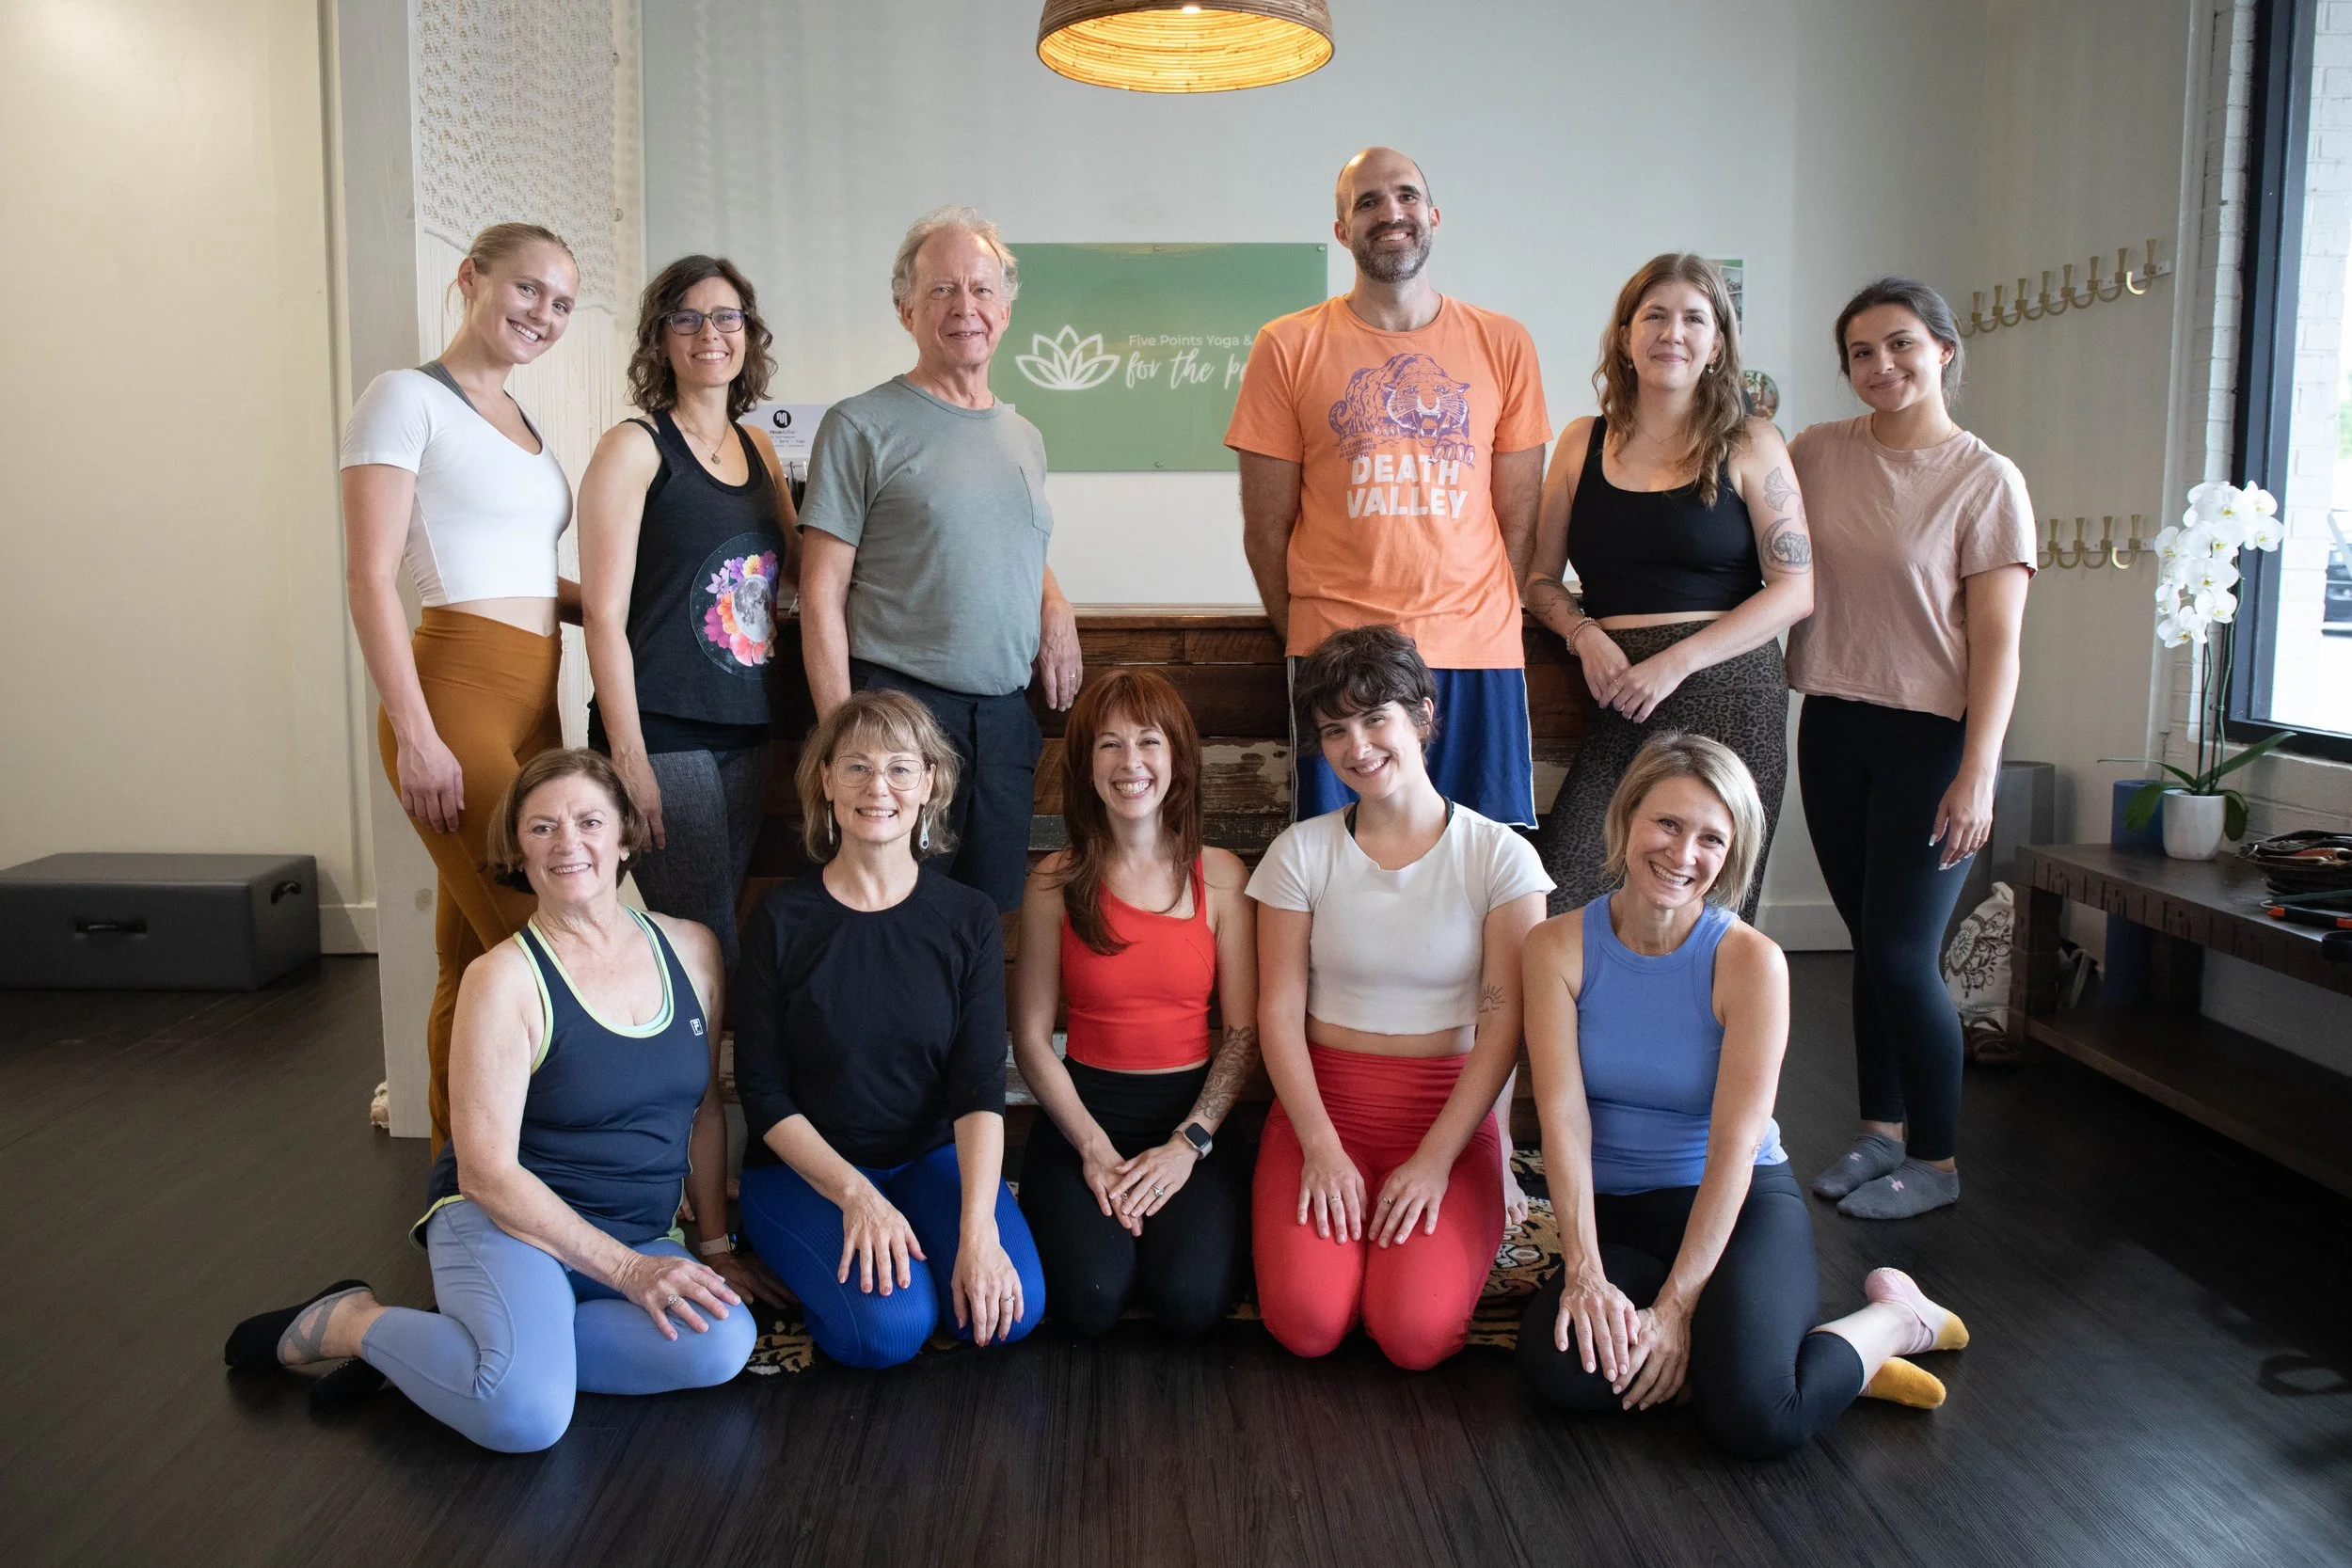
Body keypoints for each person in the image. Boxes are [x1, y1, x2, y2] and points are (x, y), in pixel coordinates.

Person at [225, 750, 755, 1452]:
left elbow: (705, 1110)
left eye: (589, 821)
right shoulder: (503, 979)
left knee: (721, 1344)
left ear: (626, 837)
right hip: (508, 1225)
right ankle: (354, 1321)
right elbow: (486, 1174)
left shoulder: (692, 949)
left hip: (635, 1228)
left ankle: (473, 1350)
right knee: (524, 1416)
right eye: (542, 828)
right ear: (519, 851)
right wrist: (630, 1272)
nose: (567, 843)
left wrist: (714, 1248)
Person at [1516, 736, 1971, 1459]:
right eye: (1667, 823)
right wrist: (1586, 1273)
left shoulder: (1752, 962)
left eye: (1711, 838)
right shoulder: (1555, 946)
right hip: (1619, 1213)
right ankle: (1762, 1360)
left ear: (1732, 855)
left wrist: (1675, 1308)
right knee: (1557, 1369)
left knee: (1758, 1417)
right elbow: (1562, 1120)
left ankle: (1893, 1322)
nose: (1682, 853)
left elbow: (1734, 1146)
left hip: (1740, 1206)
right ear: (1627, 817)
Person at [1788, 279, 2032, 1220]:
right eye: (1860, 352)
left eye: (1900, 344)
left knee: (1900, 953)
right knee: (1870, 944)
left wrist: (1979, 771)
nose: (1880, 365)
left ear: (1943, 349)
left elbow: (1999, 644)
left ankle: (1936, 1159)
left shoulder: (1986, 478)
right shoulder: (1817, 452)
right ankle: (1878, 1133)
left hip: (1933, 738)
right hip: (1833, 722)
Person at [1248, 626, 1551, 1370]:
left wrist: (1439, 1159)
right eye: (1334, 730)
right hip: (1324, 1108)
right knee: (1309, 1322)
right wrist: (1321, 1147)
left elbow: (1502, 1025)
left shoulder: (1501, 857)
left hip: (1448, 1114)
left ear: (1421, 716)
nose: (1356, 746)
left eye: (1374, 718)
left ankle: (1416, 1247)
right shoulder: (1300, 852)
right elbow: (1278, 1012)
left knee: (1415, 1334)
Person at [342, 221, 583, 1150]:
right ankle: (525, 1168)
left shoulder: (525, 422)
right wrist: (417, 734)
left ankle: (456, 1165)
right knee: (545, 943)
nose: (543, 314)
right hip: (454, 696)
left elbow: (521, 572)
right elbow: (370, 577)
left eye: (561, 303)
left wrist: (619, 608)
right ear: (470, 278)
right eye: (527, 289)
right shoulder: (404, 398)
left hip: (536, 701)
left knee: (470, 952)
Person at [1227, 147, 1550, 831]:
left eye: (1405, 196)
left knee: (1484, 857)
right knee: (1343, 862)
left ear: (1433, 216)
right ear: (1342, 231)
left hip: (1477, 652)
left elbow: (1519, 518)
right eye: (1367, 201)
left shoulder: (1504, 343)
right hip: (1341, 657)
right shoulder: (1286, 346)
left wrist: (1492, 616)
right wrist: (1313, 645)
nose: (1390, 212)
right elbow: (1265, 529)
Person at [731, 690, 1044, 1368]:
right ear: (826, 781)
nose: (879, 787)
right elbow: (762, 1092)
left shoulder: (969, 918)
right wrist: (856, 1195)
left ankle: (930, 1253)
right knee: (890, 1332)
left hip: (930, 1158)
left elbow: (978, 1086)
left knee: (1010, 1311)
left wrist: (978, 1232)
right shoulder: (780, 919)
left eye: (901, 768)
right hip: (807, 1171)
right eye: (857, 767)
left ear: (930, 783)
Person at [797, 206, 1084, 914]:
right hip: (902, 716)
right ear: (906, 310)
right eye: (941, 290)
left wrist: (1054, 603)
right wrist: (845, 742)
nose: (965, 307)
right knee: (894, 915)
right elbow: (820, 591)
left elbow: (1013, 541)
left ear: (1006, 311)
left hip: (1005, 720)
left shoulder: (1023, 435)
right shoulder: (860, 424)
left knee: (987, 920)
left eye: (982, 289)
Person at [1524, 253, 1813, 925]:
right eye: (1654, 315)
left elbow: (1795, 589)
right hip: (1619, 697)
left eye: (1693, 318)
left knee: (1707, 916)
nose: (1671, 332)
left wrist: (1675, 662)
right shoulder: (1581, 441)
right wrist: (1584, 634)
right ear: (1626, 335)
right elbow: (1538, 580)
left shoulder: (1751, 441)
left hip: (1729, 695)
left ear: (1718, 344)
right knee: (1562, 902)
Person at [1011, 670, 1258, 1338]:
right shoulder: (1055, 880)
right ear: (1086, 766)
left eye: (1149, 741)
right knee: (1089, 1299)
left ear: (1176, 758)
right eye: (1109, 744)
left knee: (1190, 1302)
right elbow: (1030, 1037)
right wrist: (1092, 1148)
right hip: (1082, 1118)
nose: (1131, 763)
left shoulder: (1222, 875)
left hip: (1191, 1120)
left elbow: (1242, 1034)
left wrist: (1188, 1143)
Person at [580, 255, 796, 977]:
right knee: (706, 942)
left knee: (712, 930)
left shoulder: (758, 446)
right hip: (665, 736)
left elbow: (798, 568)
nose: (710, 333)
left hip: (749, 733)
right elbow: (602, 615)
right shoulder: (634, 447)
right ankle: (704, 1065)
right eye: (688, 318)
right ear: (661, 337)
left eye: (727, 316)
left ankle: (700, 1056)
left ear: (748, 333)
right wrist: (630, 758)